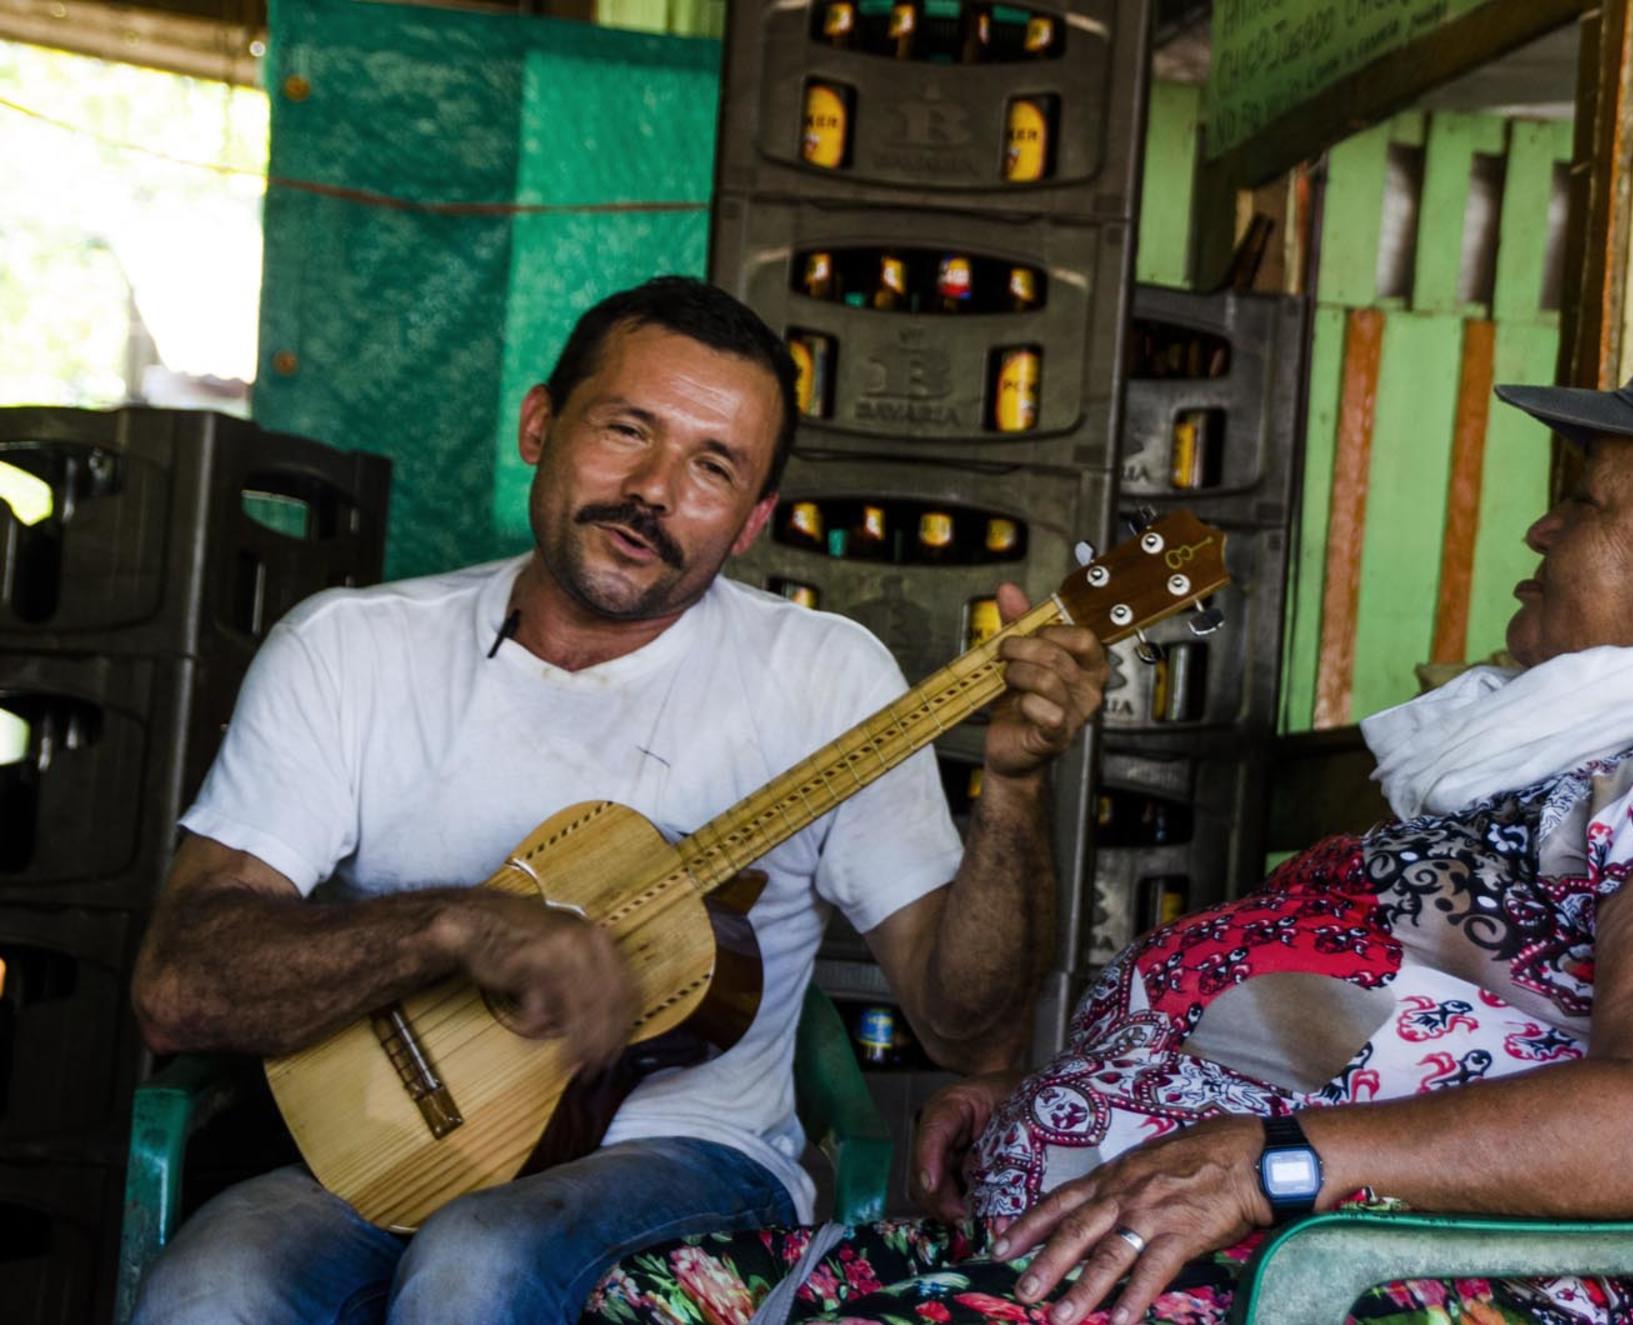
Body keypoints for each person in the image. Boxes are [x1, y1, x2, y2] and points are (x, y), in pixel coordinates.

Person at [579, 329, 1633, 1325]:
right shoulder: (1600, 756)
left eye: (1586, 503)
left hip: (1356, 1289)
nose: (1539, 535)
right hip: (1144, 1244)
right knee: (645, 1290)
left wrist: (1267, 1163)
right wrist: (1048, 1113)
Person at [127, 276, 1110, 1325]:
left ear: (750, 522)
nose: (653, 488)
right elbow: (179, 987)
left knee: (479, 1261)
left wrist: (1011, 788)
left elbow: (968, 1023)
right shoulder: (350, 649)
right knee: (211, 1283)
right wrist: (458, 926)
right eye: (626, 428)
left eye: (711, 466)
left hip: (689, 1160)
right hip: (381, 1149)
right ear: (539, 422)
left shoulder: (827, 680)